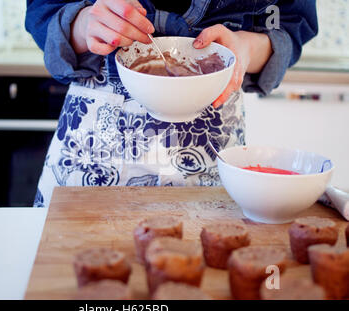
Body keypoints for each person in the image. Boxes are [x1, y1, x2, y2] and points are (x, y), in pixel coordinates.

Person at [26, 0, 318, 207]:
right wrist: (86, 23)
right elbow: (43, 10)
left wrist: (245, 47)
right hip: (93, 140)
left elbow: (290, 23)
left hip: (212, 142)